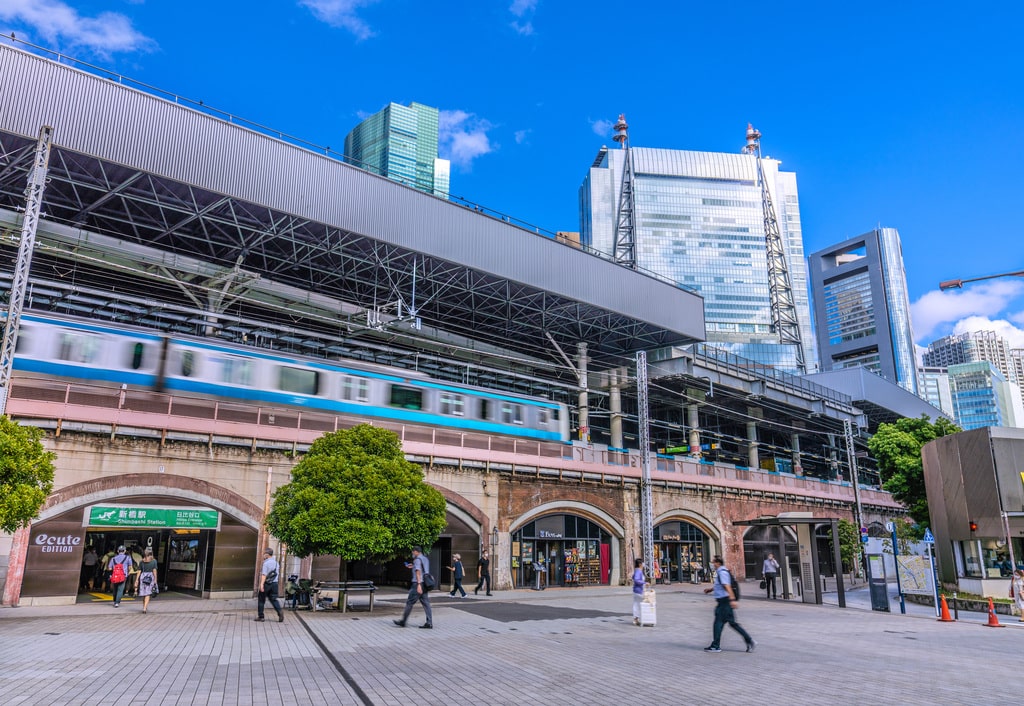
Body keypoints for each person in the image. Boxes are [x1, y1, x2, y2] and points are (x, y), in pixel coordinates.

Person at [703, 555, 755, 653]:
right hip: (724, 601)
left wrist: (732, 600)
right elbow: (721, 585)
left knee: (718, 623)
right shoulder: (722, 572)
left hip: (724, 601)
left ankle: (715, 646)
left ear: (718, 563)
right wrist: (711, 589)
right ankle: (749, 640)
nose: (712, 564)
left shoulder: (722, 572)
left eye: (714, 562)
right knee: (732, 623)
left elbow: (727, 586)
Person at [394, 546, 433, 629]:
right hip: (425, 584)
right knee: (426, 604)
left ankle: (403, 622)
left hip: (417, 584)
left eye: (413, 552)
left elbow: (418, 572)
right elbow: (423, 570)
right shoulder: (425, 559)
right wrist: (413, 566)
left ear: (416, 552)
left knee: (409, 603)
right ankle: (429, 623)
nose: (412, 553)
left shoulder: (417, 560)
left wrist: (418, 584)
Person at [255, 547, 283, 623]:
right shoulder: (276, 563)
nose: (263, 555)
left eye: (264, 554)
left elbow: (264, 575)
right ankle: (279, 611)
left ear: (267, 554)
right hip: (275, 584)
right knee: (274, 599)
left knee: (261, 600)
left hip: (267, 584)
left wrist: (261, 585)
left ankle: (261, 617)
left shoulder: (266, 563)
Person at [137, 547, 159, 614]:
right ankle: (144, 608)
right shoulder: (154, 561)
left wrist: (136, 580)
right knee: (148, 593)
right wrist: (155, 579)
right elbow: (154, 571)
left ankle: (144, 607)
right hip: (150, 577)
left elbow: (139, 571)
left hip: (143, 577)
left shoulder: (141, 562)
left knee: (144, 593)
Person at [631, 558, 646, 626]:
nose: (643, 564)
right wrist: (644, 582)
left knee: (636, 604)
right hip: (638, 591)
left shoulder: (637, 570)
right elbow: (636, 580)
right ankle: (638, 618)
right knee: (640, 604)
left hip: (637, 590)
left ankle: (636, 619)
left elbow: (633, 577)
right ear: (640, 564)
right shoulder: (638, 571)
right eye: (642, 563)